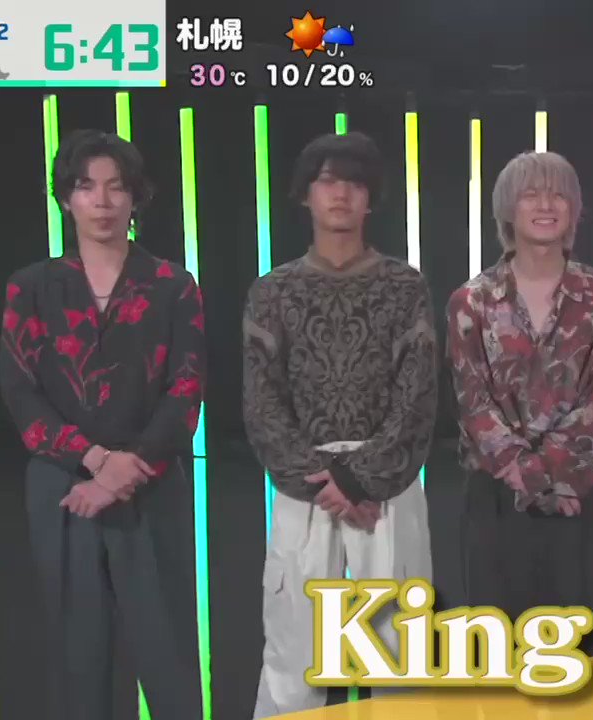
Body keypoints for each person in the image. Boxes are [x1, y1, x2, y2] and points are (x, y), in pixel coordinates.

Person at [0, 130, 205, 719]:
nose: (103, 201)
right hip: (64, 488)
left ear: (135, 197)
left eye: (117, 187)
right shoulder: (31, 287)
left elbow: (186, 390)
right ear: (67, 198)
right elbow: (20, 392)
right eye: (87, 187)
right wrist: (94, 463)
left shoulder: (172, 285)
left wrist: (123, 472)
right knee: (77, 651)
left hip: (152, 482)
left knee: (166, 649)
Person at [245, 132, 438, 717]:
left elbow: (418, 397)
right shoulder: (273, 291)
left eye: (354, 183)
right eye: (327, 180)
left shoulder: (404, 286)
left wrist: (359, 479)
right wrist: (322, 481)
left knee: (399, 653)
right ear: (305, 194)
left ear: (370, 198)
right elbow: (262, 402)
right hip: (304, 491)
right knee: (293, 655)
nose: (341, 194)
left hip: (387, 490)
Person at [447, 151, 593, 657]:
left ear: (574, 210)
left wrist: (555, 475)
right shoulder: (471, 302)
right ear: (508, 208)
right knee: (496, 656)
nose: (546, 205)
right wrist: (529, 477)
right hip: (494, 502)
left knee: (581, 658)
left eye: (557, 195)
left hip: (578, 496)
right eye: (531, 194)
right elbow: (472, 401)